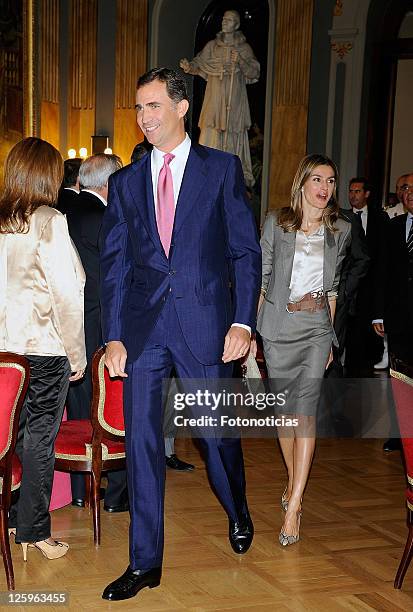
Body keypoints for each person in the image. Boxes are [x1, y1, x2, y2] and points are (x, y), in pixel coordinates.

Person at [100, 67, 261, 601]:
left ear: (181, 107)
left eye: (153, 107)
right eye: (139, 108)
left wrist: (242, 322)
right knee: (142, 443)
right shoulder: (126, 181)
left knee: (216, 439)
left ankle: (237, 507)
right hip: (145, 331)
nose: (145, 118)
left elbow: (244, 251)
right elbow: (116, 265)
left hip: (207, 327)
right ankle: (145, 562)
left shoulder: (220, 170)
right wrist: (115, 335)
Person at [257, 154, 351, 546]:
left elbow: (333, 289)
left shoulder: (340, 230)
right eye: (317, 179)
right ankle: (294, 480)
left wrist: (330, 338)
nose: (324, 188)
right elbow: (261, 280)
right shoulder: (276, 224)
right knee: (285, 415)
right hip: (278, 328)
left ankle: (295, 504)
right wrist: (252, 336)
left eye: (330, 181)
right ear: (301, 183)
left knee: (305, 413)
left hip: (315, 329)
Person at [0, 137, 86, 559]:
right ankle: (33, 530)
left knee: (6, 439)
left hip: (3, 353)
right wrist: (77, 354)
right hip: (44, 349)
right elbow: (67, 296)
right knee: (38, 441)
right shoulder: (50, 219)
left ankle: (12, 515)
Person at [63, 153, 130, 511]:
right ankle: (117, 494)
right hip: (100, 330)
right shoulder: (104, 219)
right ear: (109, 183)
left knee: (78, 414)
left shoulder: (65, 213)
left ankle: (80, 492)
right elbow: (117, 279)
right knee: (111, 413)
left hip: (70, 331)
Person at [130, 142, 195, 472]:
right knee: (143, 411)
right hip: (142, 321)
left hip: (187, 318)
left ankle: (167, 451)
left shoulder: (184, 197)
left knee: (174, 396)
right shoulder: (128, 202)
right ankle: (154, 458)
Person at [180, 10, 259, 186]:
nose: (225, 22)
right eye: (223, 19)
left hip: (234, 100)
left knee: (232, 135)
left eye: (229, 20)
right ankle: (206, 171)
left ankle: (232, 173)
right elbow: (199, 63)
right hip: (215, 99)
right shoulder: (212, 46)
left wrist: (240, 61)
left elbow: (254, 72)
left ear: (236, 24)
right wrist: (189, 66)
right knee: (210, 131)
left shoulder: (243, 48)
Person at [373, 172, 413, 449]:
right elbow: (381, 271)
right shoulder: (393, 226)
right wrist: (378, 312)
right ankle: (400, 435)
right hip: (398, 319)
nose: (409, 192)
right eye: (406, 188)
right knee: (399, 379)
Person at [344, 177, 389, 374]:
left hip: (371, 287)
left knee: (367, 335)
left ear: (367, 194)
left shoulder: (380, 218)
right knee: (348, 332)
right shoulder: (342, 217)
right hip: (349, 286)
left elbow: (382, 254)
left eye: (357, 191)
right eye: (351, 191)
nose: (353, 195)